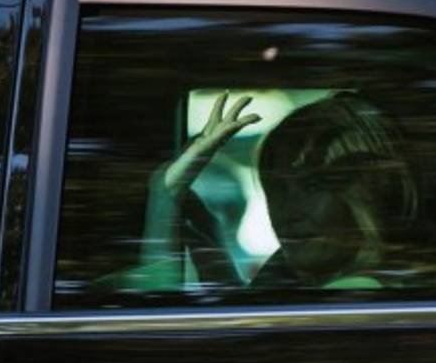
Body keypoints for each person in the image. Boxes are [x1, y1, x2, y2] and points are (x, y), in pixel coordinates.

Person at [134, 91, 421, 292]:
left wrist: (163, 196)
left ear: (368, 190)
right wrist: (212, 249)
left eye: (312, 186)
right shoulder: (300, 275)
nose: (288, 211)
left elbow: (148, 334)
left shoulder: (354, 292)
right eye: (277, 188)